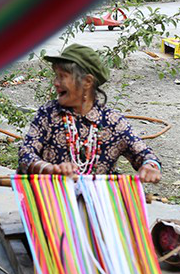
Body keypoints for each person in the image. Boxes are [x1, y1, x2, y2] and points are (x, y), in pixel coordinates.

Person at [18, 44, 162, 182]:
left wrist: (149, 166)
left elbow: (144, 154)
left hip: (97, 198)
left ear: (87, 82)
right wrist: (49, 169)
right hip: (53, 197)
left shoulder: (113, 122)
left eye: (62, 76)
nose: (56, 82)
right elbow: (26, 154)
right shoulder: (48, 114)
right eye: (56, 76)